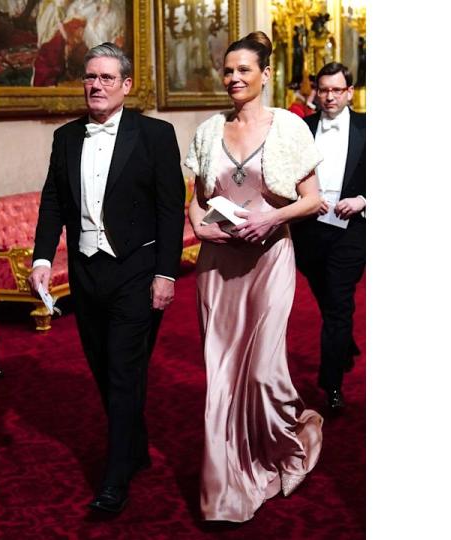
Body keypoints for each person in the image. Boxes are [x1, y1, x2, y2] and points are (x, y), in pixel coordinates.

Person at [28, 42, 187, 514]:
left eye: (105, 78)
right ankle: (134, 448)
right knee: (103, 368)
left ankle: (114, 479)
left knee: (122, 372)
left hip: (136, 271)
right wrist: (41, 257)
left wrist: (166, 273)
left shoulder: (155, 134)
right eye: (89, 77)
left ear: (126, 85)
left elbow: (168, 208)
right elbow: (53, 201)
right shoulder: (65, 137)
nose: (95, 85)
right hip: (84, 270)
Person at [184, 30, 325, 523]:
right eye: (228, 70)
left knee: (263, 372)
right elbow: (197, 198)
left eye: (244, 69)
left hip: (270, 262)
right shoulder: (206, 131)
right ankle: (225, 488)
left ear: (265, 75)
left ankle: (292, 434)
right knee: (221, 375)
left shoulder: (289, 127)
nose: (234, 78)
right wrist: (200, 226)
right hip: (219, 267)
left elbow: (313, 197)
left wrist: (272, 218)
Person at [291, 62, 366, 412]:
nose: (330, 96)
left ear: (349, 92)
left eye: (337, 90)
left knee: (338, 304)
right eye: (324, 90)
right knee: (327, 299)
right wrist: (303, 200)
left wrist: (364, 199)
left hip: (351, 231)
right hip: (310, 230)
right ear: (316, 92)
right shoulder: (301, 129)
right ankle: (345, 343)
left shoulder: (371, 128)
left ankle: (331, 386)